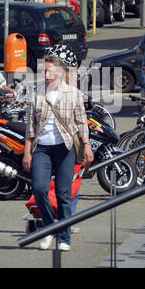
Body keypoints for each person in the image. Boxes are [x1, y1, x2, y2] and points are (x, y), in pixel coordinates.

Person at [22, 48, 91, 252]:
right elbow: (30, 126)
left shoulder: (73, 94)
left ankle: (64, 237)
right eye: (44, 70)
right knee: (40, 188)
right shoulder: (36, 94)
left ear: (60, 73)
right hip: (42, 147)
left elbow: (81, 123)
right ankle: (49, 228)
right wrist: (27, 152)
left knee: (63, 193)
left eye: (50, 71)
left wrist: (86, 146)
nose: (46, 74)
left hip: (65, 147)